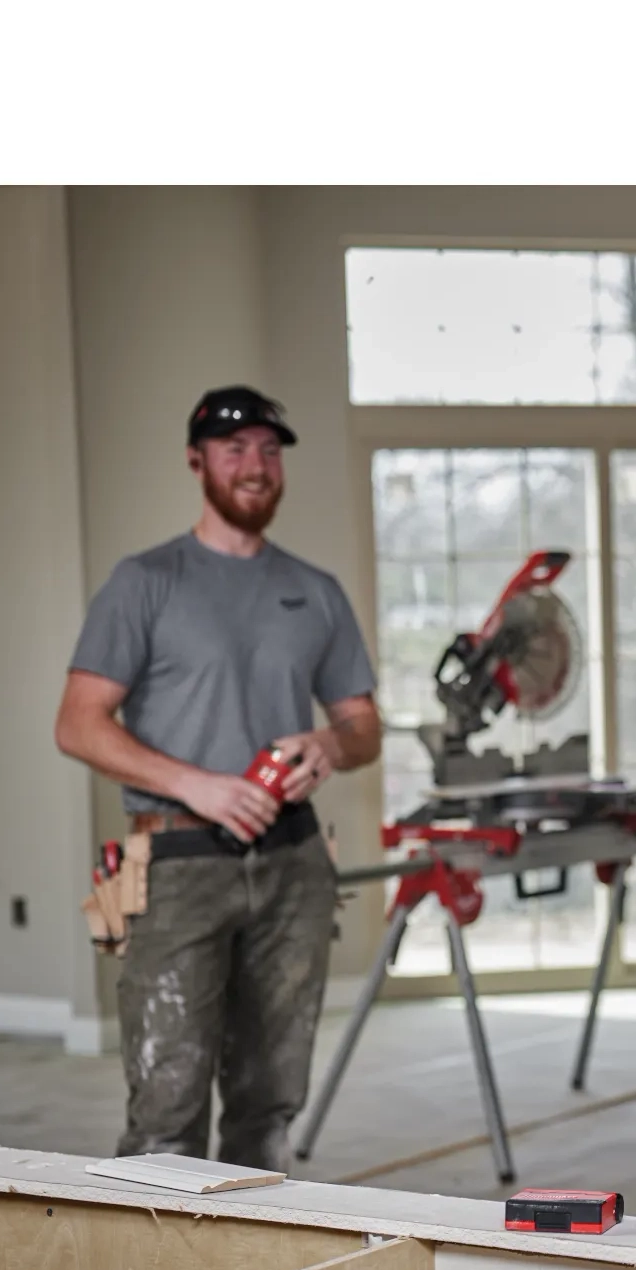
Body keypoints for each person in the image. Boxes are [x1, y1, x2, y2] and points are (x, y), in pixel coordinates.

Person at [55, 385, 381, 1171]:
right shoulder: (147, 582)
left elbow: (364, 726)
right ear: (197, 462)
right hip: (178, 867)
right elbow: (78, 723)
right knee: (166, 1111)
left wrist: (329, 745)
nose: (255, 466)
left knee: (268, 1106)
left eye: (270, 450)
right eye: (234, 450)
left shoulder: (317, 591)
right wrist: (195, 785)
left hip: (295, 862)